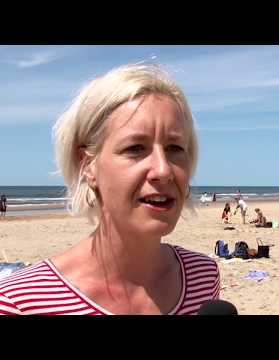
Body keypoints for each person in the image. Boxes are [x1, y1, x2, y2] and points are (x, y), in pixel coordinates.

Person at [0, 64, 220, 315]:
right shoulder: (19, 302)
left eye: (175, 148)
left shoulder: (202, 278)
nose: (163, 170)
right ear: (88, 164)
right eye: (136, 148)